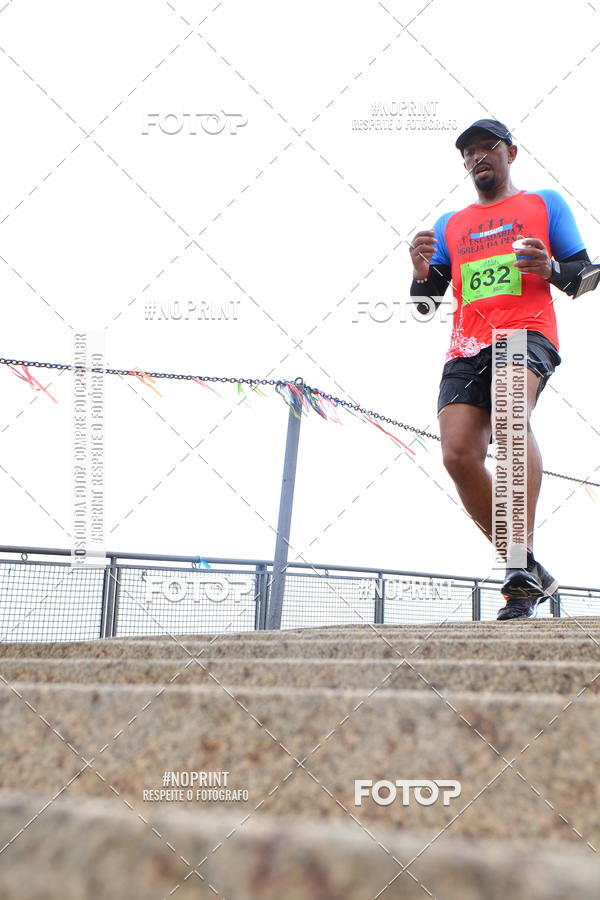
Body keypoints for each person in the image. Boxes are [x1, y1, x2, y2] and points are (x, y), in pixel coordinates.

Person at [409, 119, 591, 620]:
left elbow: (587, 277)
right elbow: (425, 307)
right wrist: (422, 275)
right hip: (467, 343)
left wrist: (550, 270)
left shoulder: (544, 203)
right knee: (459, 455)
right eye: (467, 153)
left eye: (486, 148)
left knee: (511, 414)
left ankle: (515, 578)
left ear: (510, 151)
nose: (476, 158)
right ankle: (528, 565)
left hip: (526, 329)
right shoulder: (450, 224)